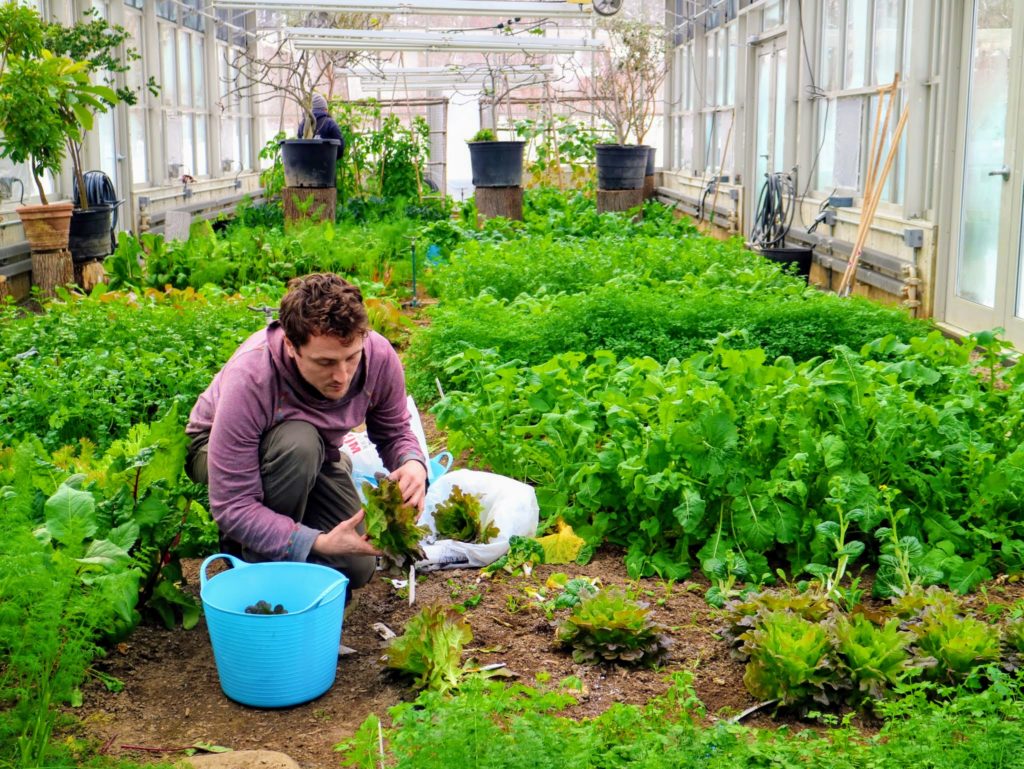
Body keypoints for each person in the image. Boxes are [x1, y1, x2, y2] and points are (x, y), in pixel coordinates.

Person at [185, 273, 427, 592]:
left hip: (314, 452)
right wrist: (319, 542)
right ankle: (252, 565)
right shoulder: (253, 376)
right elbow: (233, 505)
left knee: (355, 565)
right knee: (298, 444)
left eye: (351, 358)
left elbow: (394, 431)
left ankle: (290, 531)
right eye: (325, 362)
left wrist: (413, 463)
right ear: (290, 345)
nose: (341, 376)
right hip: (215, 448)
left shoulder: (379, 358)